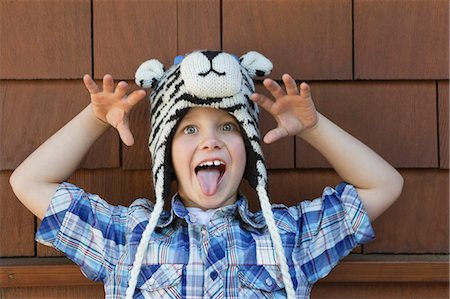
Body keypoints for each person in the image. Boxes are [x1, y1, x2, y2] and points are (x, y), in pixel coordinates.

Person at [10, 50, 403, 299]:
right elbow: (29, 182)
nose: (210, 142)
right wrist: (95, 119)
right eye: (189, 129)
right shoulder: (126, 236)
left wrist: (314, 128)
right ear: (165, 151)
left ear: (248, 148)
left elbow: (384, 185)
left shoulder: (288, 236)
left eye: (228, 127)